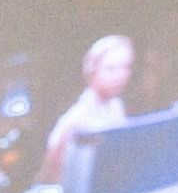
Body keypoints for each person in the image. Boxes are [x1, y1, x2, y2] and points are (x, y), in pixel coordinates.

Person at [36, 35, 134, 183]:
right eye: (111, 68)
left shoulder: (116, 106)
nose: (120, 76)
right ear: (92, 71)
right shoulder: (75, 119)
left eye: (125, 67)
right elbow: (51, 174)